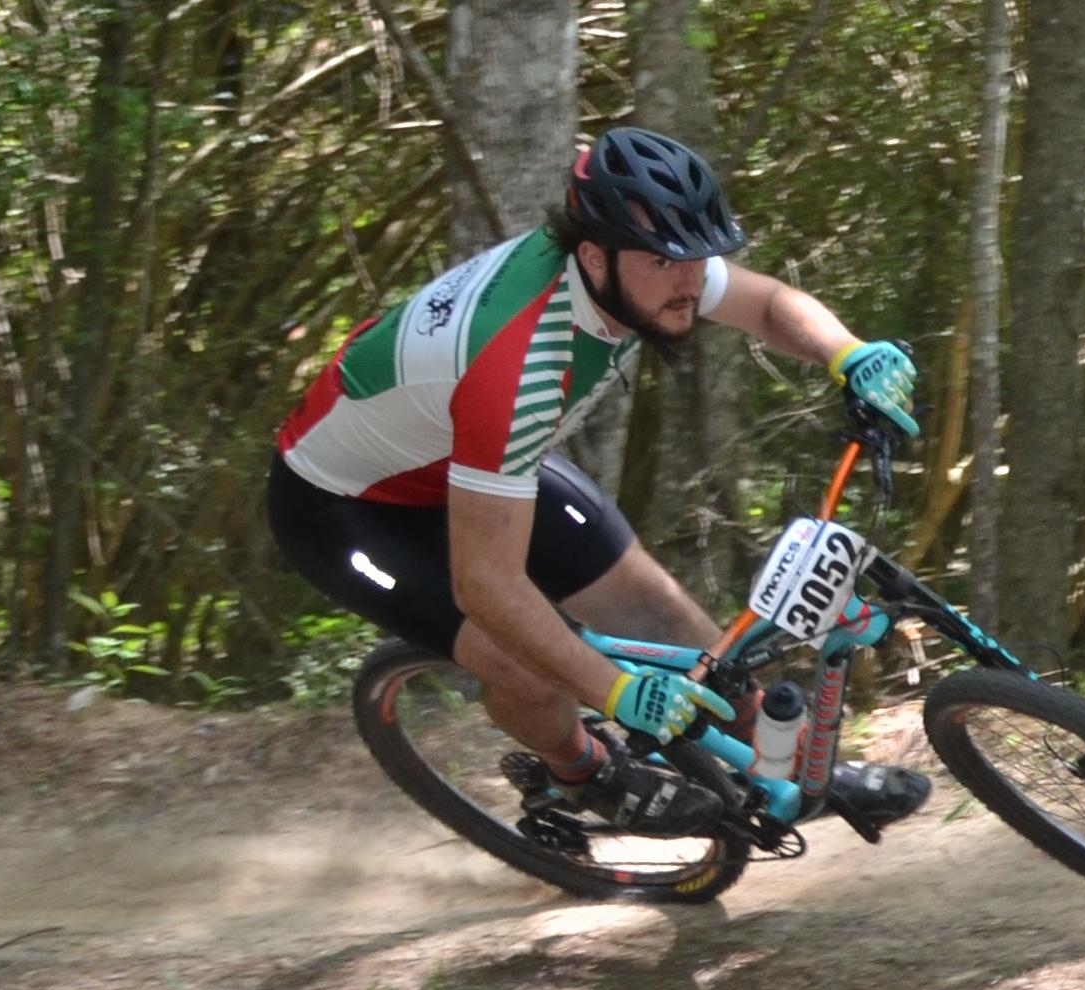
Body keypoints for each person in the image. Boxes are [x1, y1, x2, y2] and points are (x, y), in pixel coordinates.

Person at [268, 126, 929, 837]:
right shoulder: (515, 363)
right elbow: (485, 585)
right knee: (529, 663)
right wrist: (614, 690)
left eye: (699, 257)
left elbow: (767, 305)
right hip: (346, 507)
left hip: (469, 462)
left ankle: (798, 768)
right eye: (666, 261)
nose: (691, 278)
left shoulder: (639, 261)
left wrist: (849, 354)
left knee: (661, 610)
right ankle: (578, 772)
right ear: (592, 255)